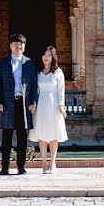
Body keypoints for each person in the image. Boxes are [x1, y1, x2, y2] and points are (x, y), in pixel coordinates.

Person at [0, 33, 38, 175]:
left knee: (22, 137)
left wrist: (33, 102)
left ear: (24, 46)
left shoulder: (30, 63)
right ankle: (5, 166)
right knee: (6, 136)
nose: (19, 46)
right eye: (16, 44)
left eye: (21, 44)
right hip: (7, 103)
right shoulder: (3, 62)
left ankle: (21, 166)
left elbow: (34, 86)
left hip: (23, 105)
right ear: (11, 46)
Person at [28, 46, 68, 174]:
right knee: (42, 134)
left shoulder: (58, 72)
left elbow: (61, 90)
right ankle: (44, 163)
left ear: (53, 57)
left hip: (54, 104)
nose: (46, 57)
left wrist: (61, 105)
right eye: (44, 55)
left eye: (49, 55)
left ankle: (53, 162)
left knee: (54, 134)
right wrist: (33, 104)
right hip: (41, 105)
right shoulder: (37, 72)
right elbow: (34, 89)